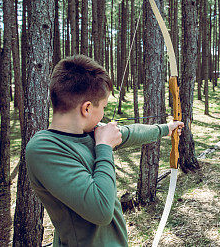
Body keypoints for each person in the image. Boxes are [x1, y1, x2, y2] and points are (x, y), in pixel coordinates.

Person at [26, 55, 184, 247]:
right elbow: (101, 210)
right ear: (86, 108)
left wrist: (166, 129)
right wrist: (104, 147)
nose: (103, 113)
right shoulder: (44, 149)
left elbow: (130, 132)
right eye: (103, 106)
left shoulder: (90, 132)